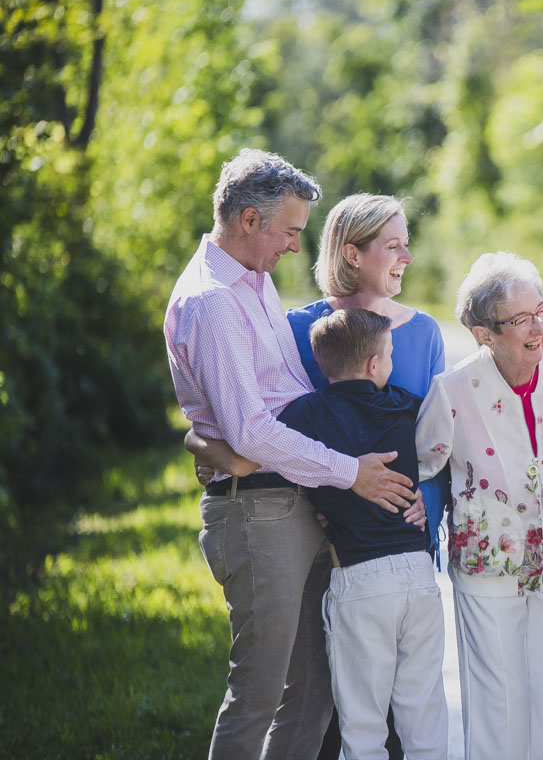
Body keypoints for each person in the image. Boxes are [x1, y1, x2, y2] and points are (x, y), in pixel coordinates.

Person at [164, 149, 419, 760]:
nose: (294, 247)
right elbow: (250, 434)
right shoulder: (213, 301)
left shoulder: (254, 281)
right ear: (249, 220)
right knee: (260, 690)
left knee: (312, 691)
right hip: (257, 512)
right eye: (289, 231)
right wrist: (348, 473)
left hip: (293, 498)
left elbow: (292, 395)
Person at [415, 252, 543, 760]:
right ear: (484, 333)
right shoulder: (452, 392)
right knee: (498, 700)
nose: (537, 326)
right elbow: (419, 466)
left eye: (542, 310)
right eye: (520, 319)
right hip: (487, 566)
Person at [276, 308, 449, 760]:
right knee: (424, 713)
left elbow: (275, 449)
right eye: (389, 353)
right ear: (375, 365)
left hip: (360, 579)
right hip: (419, 574)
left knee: (363, 723)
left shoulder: (307, 413)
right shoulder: (406, 406)